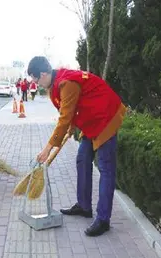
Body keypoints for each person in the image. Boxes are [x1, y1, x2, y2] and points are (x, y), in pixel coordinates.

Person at [27, 56, 126, 237]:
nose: (35, 83)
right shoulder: (53, 87)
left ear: (43, 74)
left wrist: (47, 148)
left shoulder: (66, 83)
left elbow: (64, 117)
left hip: (105, 117)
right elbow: (68, 111)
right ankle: (84, 206)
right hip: (91, 120)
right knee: (82, 159)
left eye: (35, 79)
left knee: (105, 168)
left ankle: (103, 220)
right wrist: (71, 128)